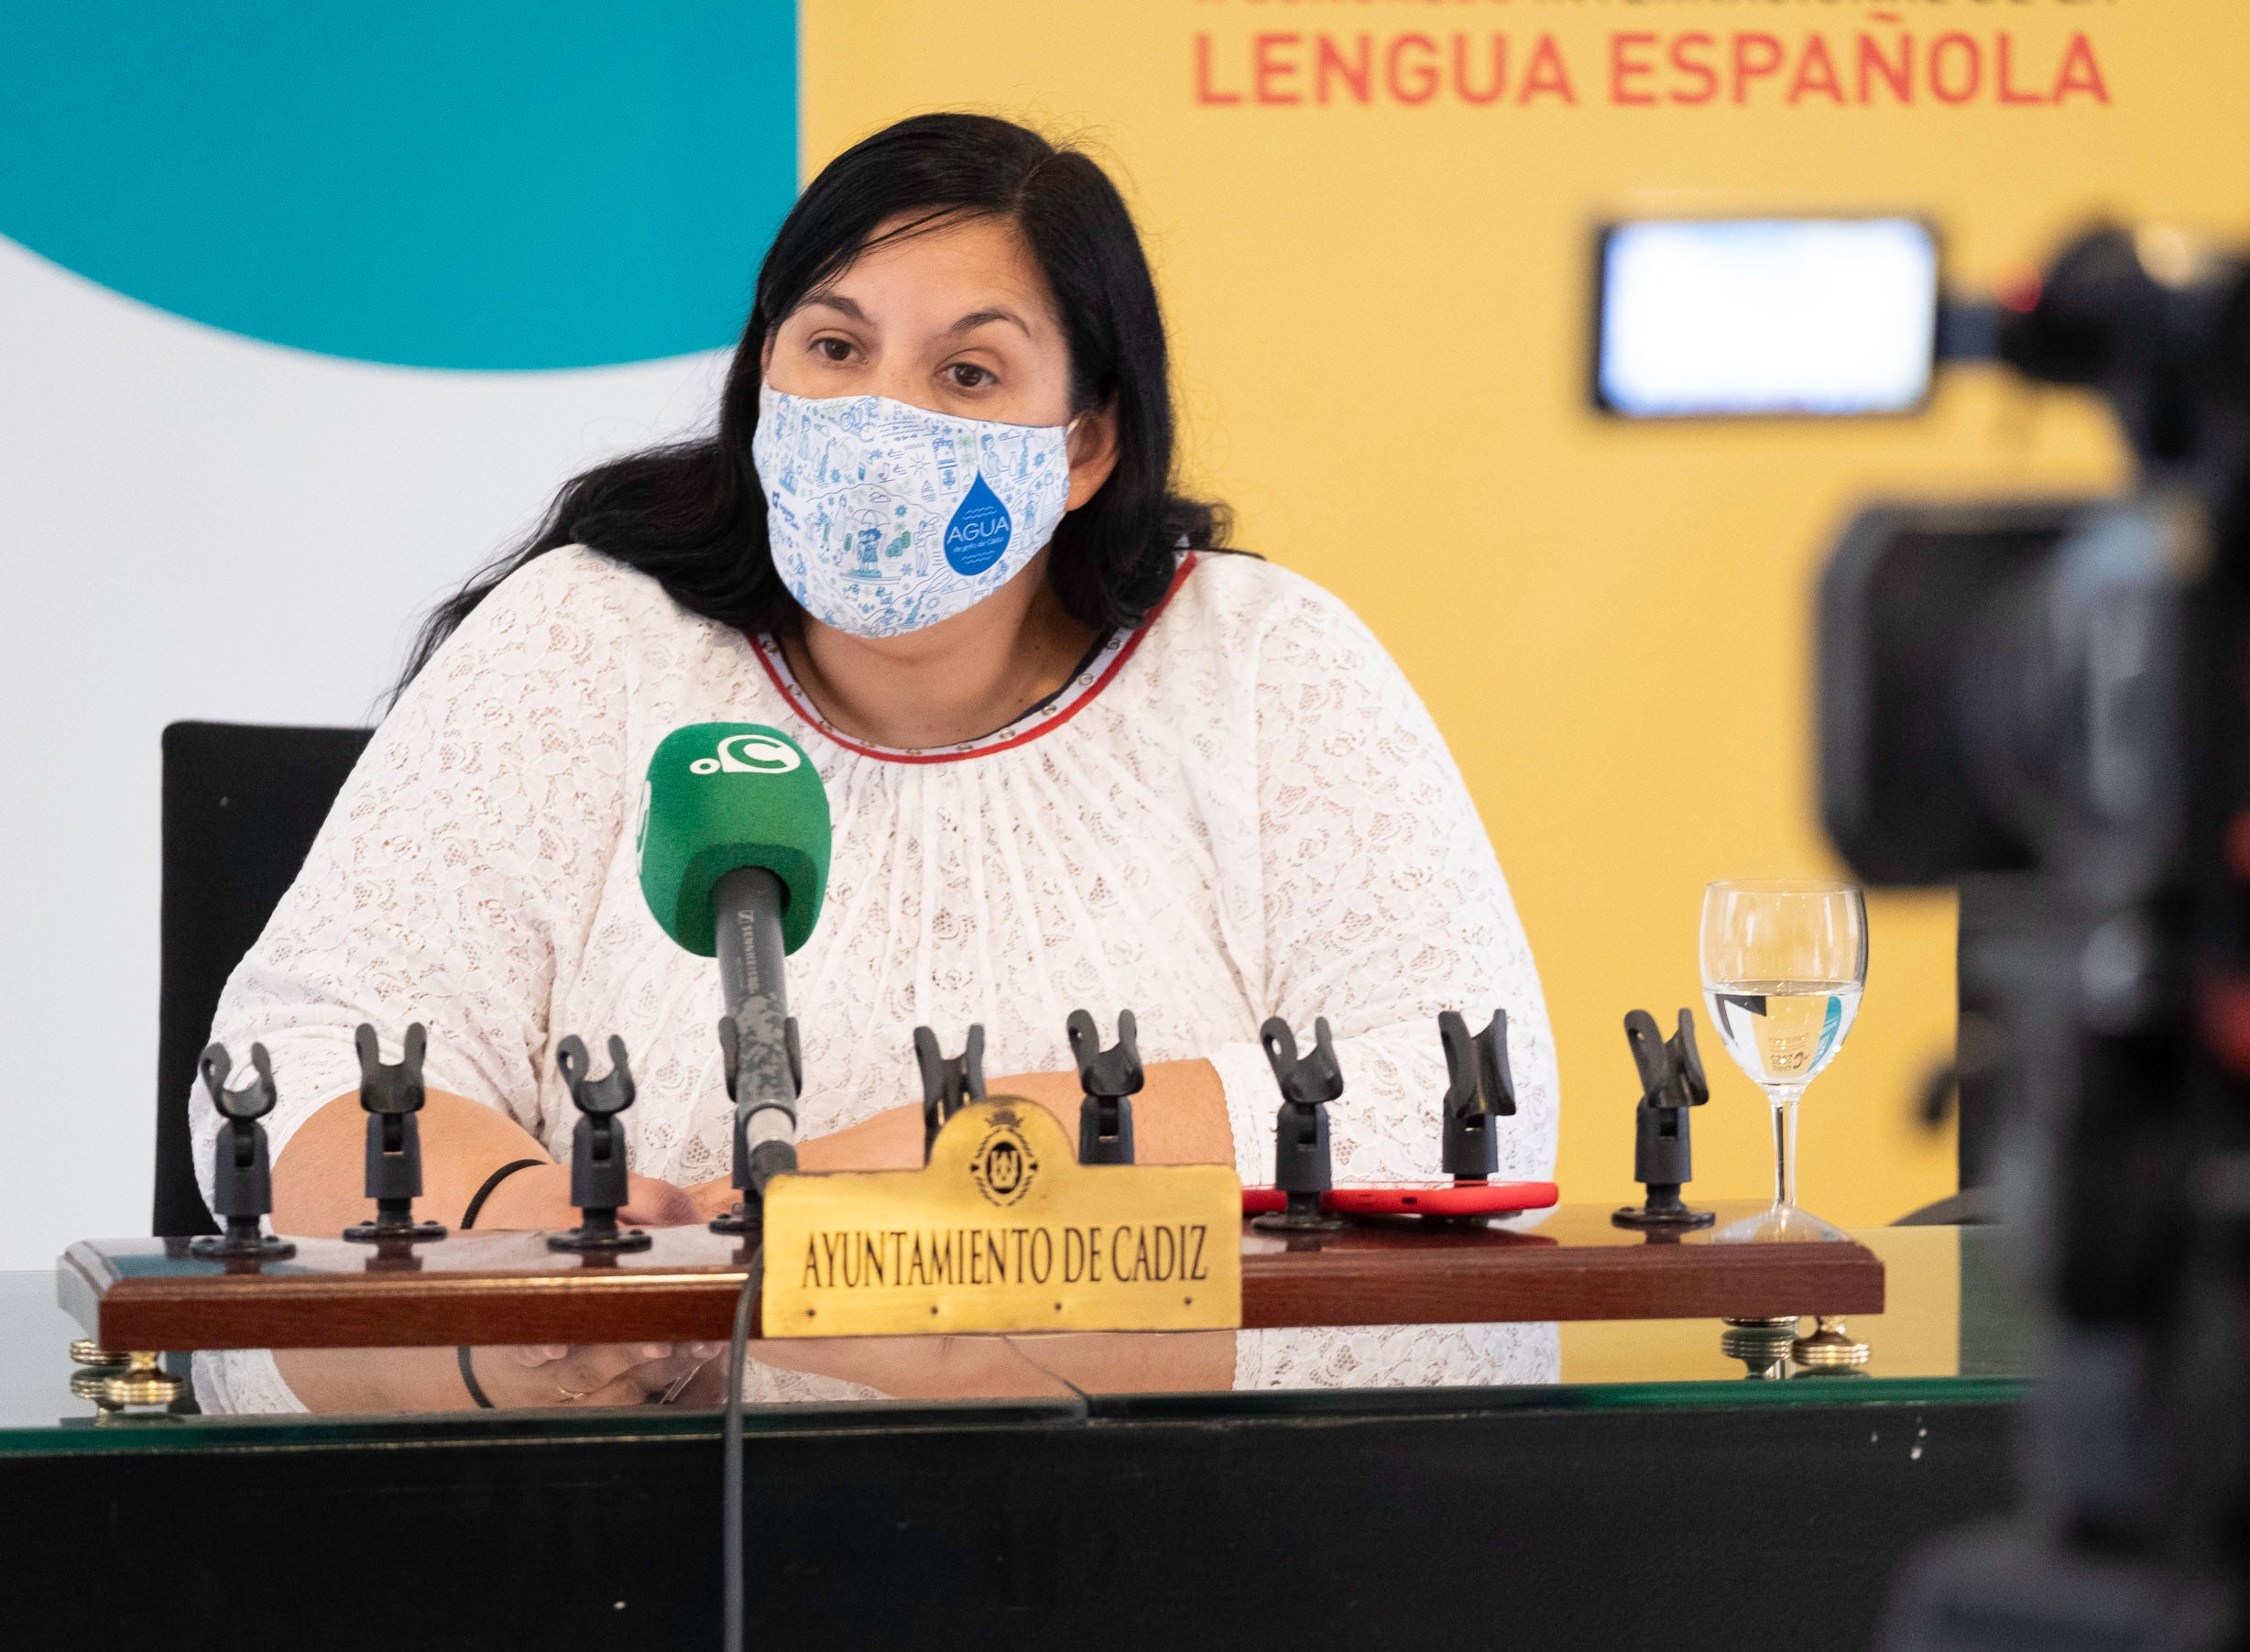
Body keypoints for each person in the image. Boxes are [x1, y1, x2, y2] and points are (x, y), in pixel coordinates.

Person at [194, 113, 1554, 1412]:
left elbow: (1460, 1100)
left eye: (967, 373)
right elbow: (308, 1054)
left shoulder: (1263, 667)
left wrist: (928, 1183)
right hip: (631, 1547)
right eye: (834, 348)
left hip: (1172, 1559)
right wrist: (523, 1272)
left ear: (1085, 441)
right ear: (762, 375)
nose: (879, 418)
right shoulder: (583, 640)